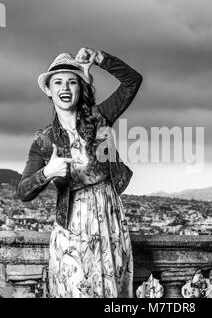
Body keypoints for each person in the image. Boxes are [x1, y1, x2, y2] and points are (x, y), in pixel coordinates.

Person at [16, 47, 143, 298]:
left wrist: (101, 59)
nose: (65, 87)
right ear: (50, 91)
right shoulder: (44, 140)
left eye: (72, 82)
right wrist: (47, 172)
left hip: (109, 222)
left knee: (110, 294)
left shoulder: (99, 118)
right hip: (71, 227)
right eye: (58, 82)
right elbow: (23, 191)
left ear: (80, 88)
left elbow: (132, 81)